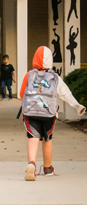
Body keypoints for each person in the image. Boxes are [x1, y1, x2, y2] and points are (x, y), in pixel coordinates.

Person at [19, 46, 86, 181]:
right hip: (48, 113)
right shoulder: (55, 77)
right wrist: (77, 106)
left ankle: (31, 163)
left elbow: (21, 94)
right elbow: (65, 93)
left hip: (31, 112)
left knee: (33, 137)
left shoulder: (29, 75)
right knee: (47, 139)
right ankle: (48, 168)